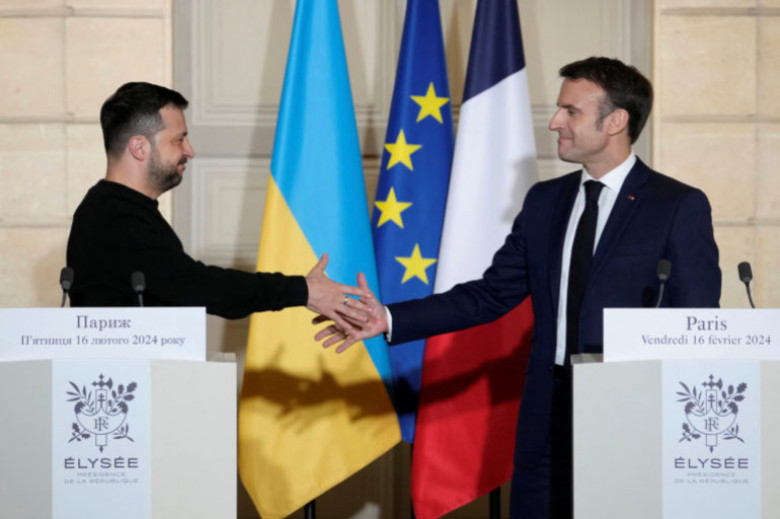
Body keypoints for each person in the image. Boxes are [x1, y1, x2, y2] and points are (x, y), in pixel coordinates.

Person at [314, 57, 721, 519]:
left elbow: (696, 324)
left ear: (616, 121)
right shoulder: (546, 201)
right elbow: (490, 295)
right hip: (544, 418)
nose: (554, 122)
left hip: (629, 421)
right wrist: (388, 317)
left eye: (571, 111)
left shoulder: (677, 206)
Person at [67, 81, 367, 330]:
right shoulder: (115, 219)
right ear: (139, 147)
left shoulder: (118, 209)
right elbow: (199, 286)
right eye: (179, 140)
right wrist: (303, 290)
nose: (190, 151)